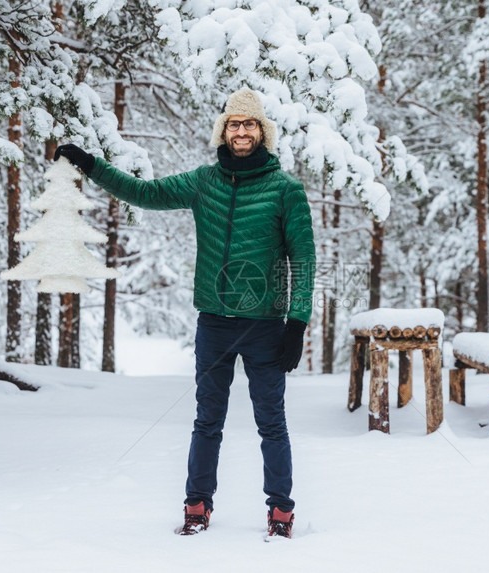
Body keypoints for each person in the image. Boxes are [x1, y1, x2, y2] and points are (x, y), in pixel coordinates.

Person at [55, 88, 315, 539]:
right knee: (206, 421)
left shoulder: (285, 190)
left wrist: (297, 324)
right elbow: (144, 192)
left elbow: (304, 259)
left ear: (262, 132)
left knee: (271, 423)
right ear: (224, 130)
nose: (241, 131)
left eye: (249, 124)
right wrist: (91, 165)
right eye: (234, 123)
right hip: (213, 323)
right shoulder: (203, 182)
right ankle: (197, 507)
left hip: (265, 326)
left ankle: (280, 512)